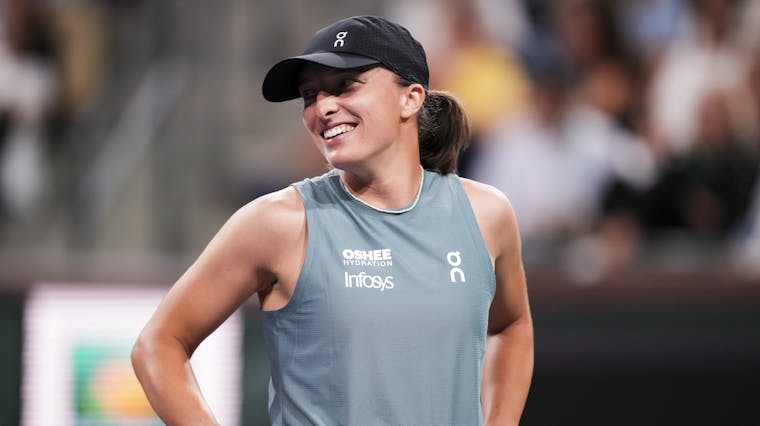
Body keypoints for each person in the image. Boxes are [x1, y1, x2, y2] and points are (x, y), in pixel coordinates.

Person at [131, 15, 533, 426]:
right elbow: (158, 344)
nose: (322, 107)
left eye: (345, 85)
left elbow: (511, 327)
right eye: (310, 95)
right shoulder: (277, 223)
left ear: (411, 99)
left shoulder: (485, 214)